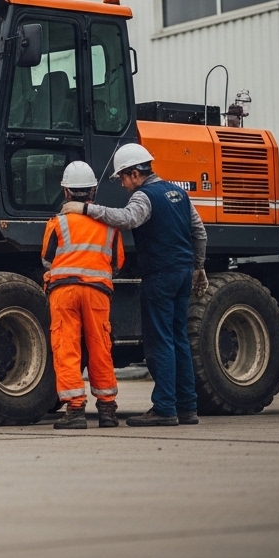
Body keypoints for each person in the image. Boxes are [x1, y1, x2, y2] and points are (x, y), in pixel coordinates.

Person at [77, 144, 207, 427]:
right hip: (183, 273)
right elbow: (199, 232)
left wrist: (87, 208)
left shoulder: (144, 196)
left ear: (135, 173)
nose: (123, 184)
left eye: (122, 177)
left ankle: (164, 409)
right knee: (179, 340)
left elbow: (126, 219)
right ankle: (187, 408)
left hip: (160, 275)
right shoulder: (180, 194)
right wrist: (198, 267)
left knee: (160, 342)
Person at [43, 161, 125, 430]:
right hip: (97, 293)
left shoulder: (57, 223)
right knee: (101, 349)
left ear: (66, 193)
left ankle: (75, 410)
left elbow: (46, 260)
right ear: (93, 191)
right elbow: (117, 262)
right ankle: (107, 411)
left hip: (64, 292)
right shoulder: (110, 226)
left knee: (67, 348)